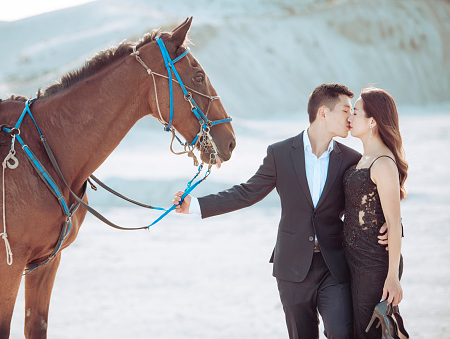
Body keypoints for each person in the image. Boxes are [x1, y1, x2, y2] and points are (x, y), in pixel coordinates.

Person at [174, 83, 388, 338]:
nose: (350, 117)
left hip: (334, 266)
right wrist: (195, 205)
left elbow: (369, 198)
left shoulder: (351, 159)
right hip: (292, 268)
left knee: (340, 332)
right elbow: (247, 192)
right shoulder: (281, 153)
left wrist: (389, 225)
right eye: (345, 110)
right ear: (323, 113)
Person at [344, 87, 408, 339]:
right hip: (354, 258)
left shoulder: (383, 162)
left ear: (372, 121)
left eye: (355, 113)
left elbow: (393, 223)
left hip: (374, 263)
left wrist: (392, 278)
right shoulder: (363, 158)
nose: (350, 118)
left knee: (371, 331)